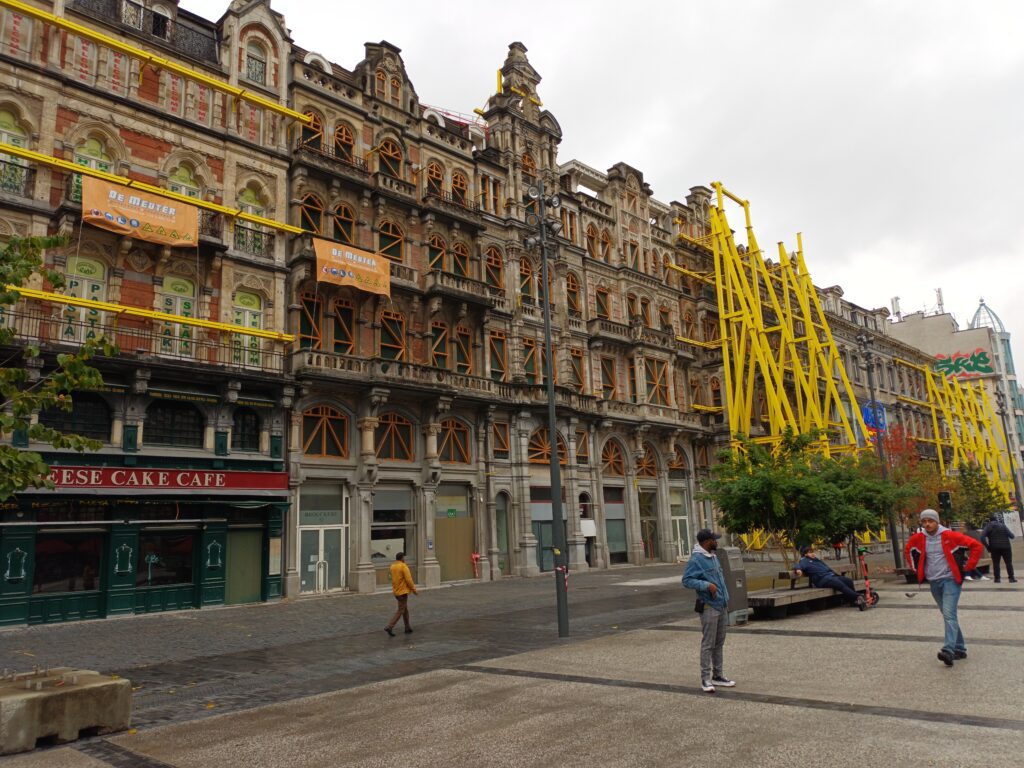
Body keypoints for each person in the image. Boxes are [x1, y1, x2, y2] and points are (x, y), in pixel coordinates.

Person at [905, 509, 983, 666]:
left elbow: (976, 546)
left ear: (937, 521)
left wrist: (969, 566)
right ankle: (960, 648)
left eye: (930, 521)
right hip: (934, 582)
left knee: (948, 614)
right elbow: (908, 551)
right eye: (924, 521)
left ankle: (948, 650)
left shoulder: (950, 535)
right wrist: (916, 569)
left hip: (950, 580)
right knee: (949, 615)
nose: (927, 524)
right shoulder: (918, 538)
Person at [682, 529, 734, 693]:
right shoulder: (696, 560)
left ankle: (718, 675)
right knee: (708, 644)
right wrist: (706, 585)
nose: (717, 542)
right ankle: (705, 679)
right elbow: (687, 580)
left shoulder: (713, 557)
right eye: (714, 539)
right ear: (706, 542)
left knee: (719, 643)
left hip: (721, 604)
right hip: (709, 606)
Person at [793, 545, 866, 610]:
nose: (812, 554)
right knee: (840, 584)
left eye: (813, 552)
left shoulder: (816, 560)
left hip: (830, 576)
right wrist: (798, 570)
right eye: (810, 552)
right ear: (805, 554)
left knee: (848, 581)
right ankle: (858, 596)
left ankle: (853, 602)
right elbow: (798, 565)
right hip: (822, 580)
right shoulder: (804, 561)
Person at [384, 551, 417, 637]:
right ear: (402, 558)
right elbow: (409, 579)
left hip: (396, 592)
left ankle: (407, 627)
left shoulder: (392, 566)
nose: (404, 559)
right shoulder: (403, 566)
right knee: (401, 610)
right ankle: (390, 626)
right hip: (403, 592)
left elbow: (390, 578)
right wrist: (414, 589)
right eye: (404, 558)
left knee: (404, 609)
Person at [981, 514, 1016, 583]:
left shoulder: (988, 526)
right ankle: (1011, 578)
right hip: (1006, 547)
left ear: (989, 520)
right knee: (1008, 562)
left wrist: (988, 547)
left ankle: (997, 579)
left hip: (994, 547)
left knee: (996, 563)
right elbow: (1012, 536)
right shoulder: (1003, 525)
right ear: (997, 520)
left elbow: (982, 538)